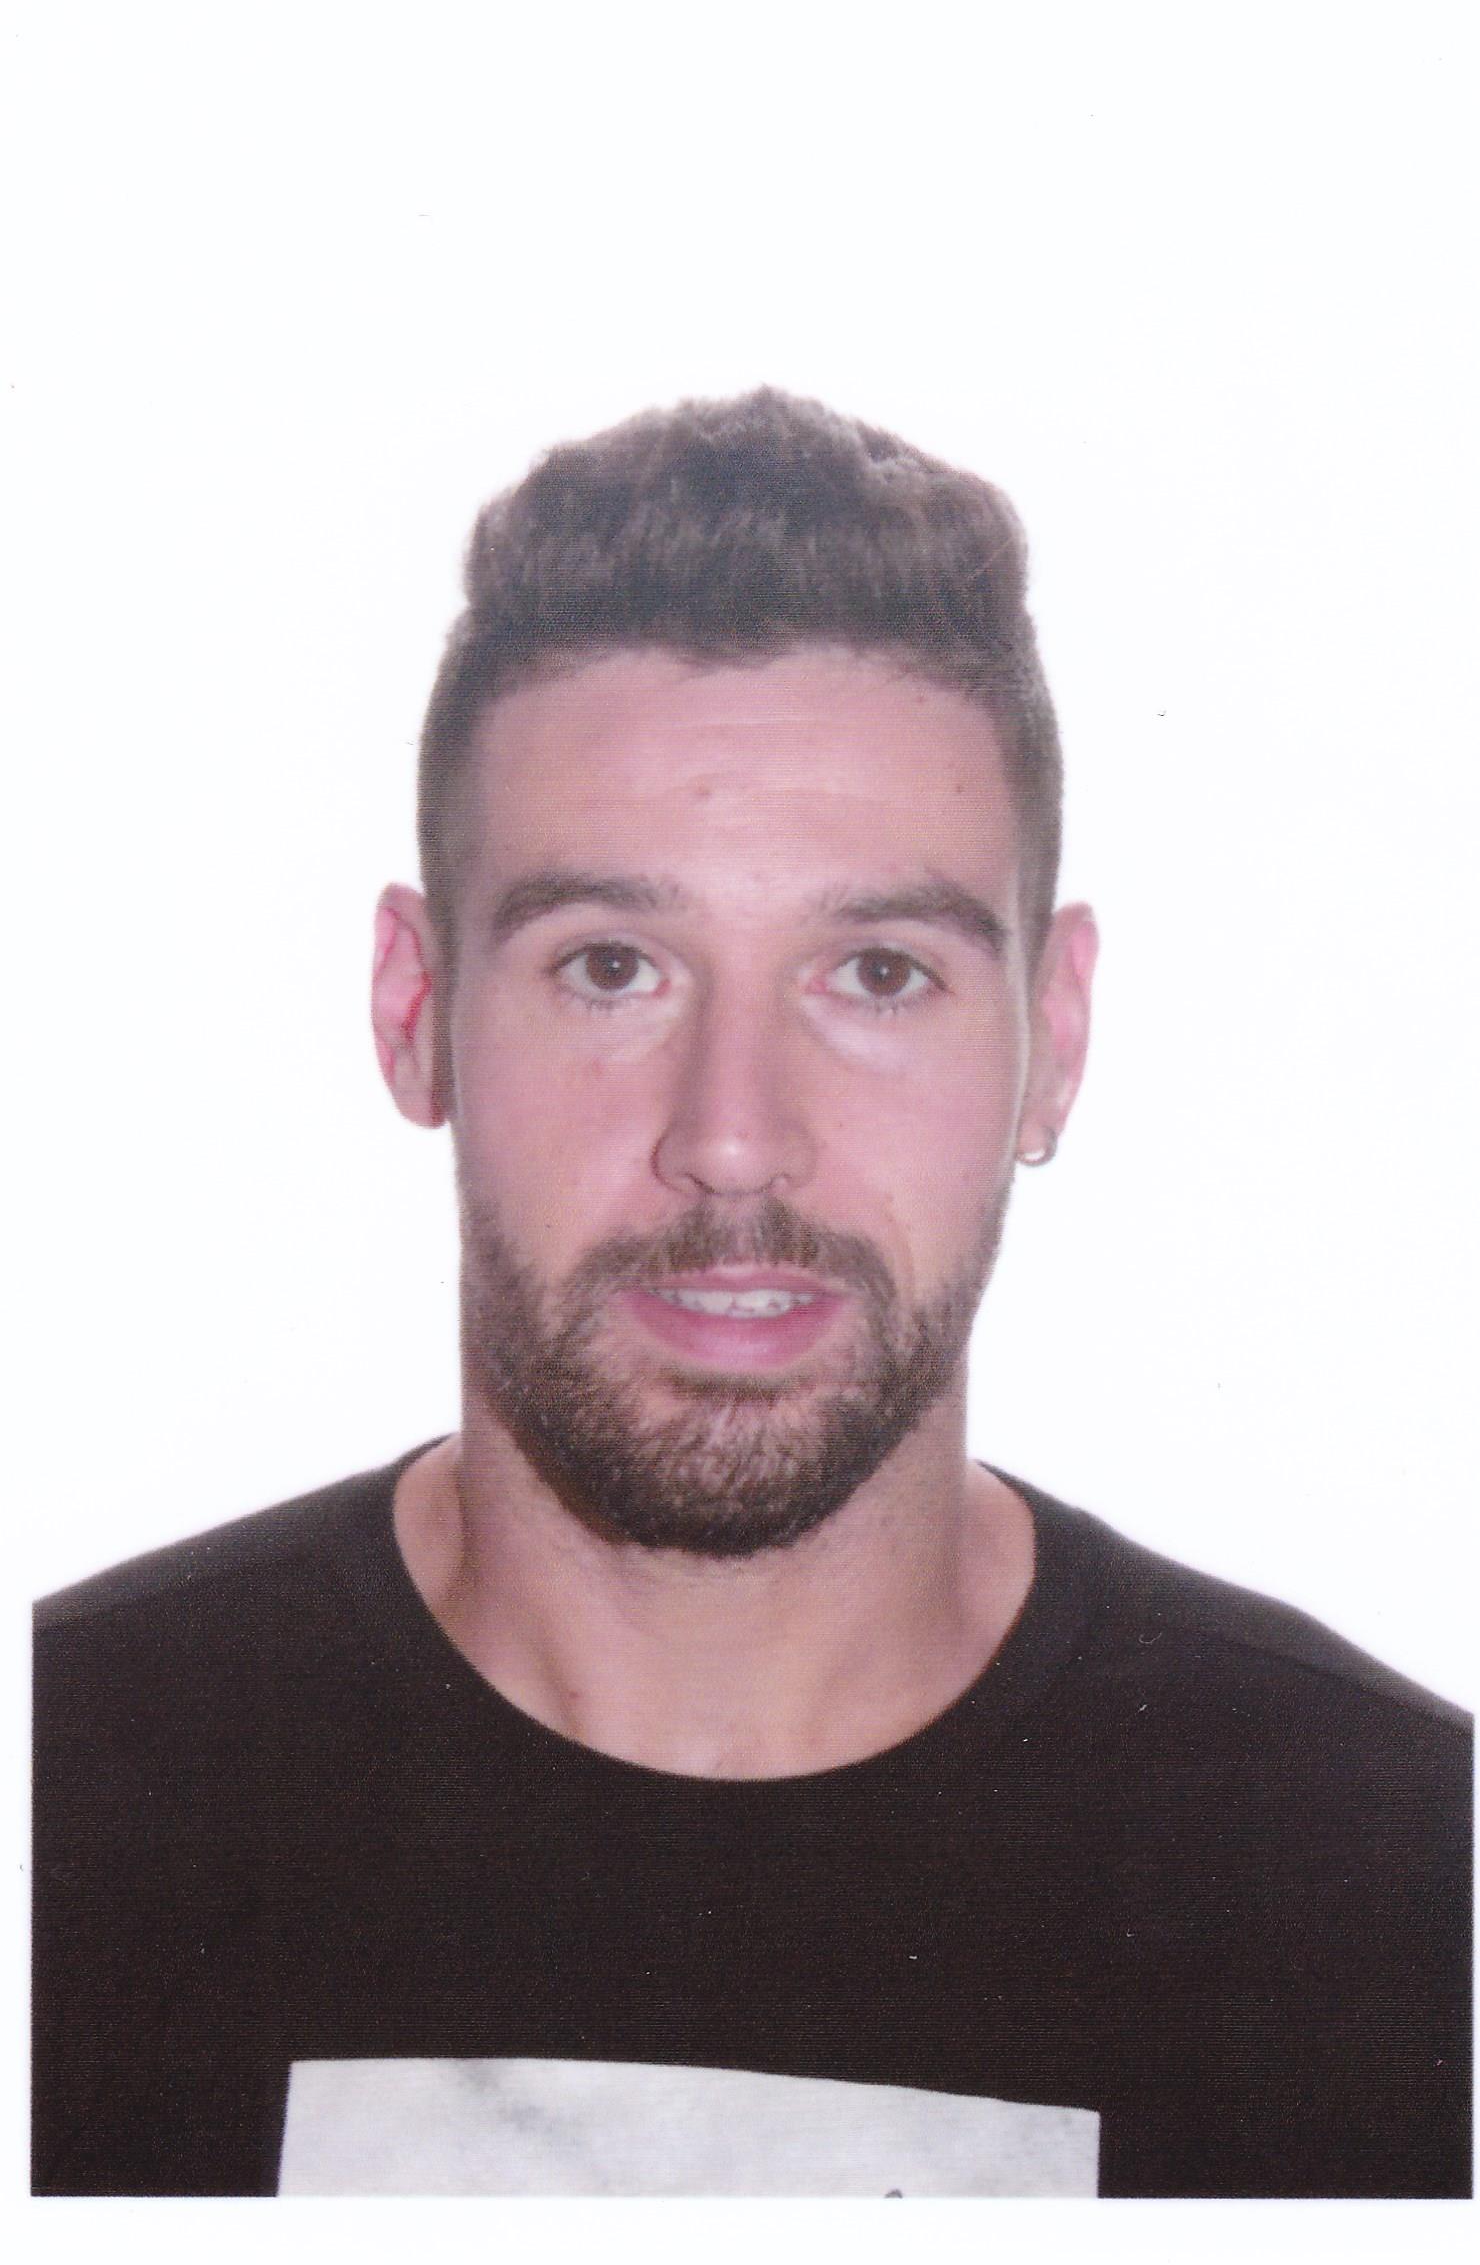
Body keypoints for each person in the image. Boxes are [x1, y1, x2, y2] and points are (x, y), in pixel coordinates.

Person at [33, 389, 1470, 2199]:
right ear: (416, 1010)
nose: (732, 1141)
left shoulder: (1404, 1896)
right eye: (611, 967)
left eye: (877, 973)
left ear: (1054, 1040)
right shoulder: (64, 1804)